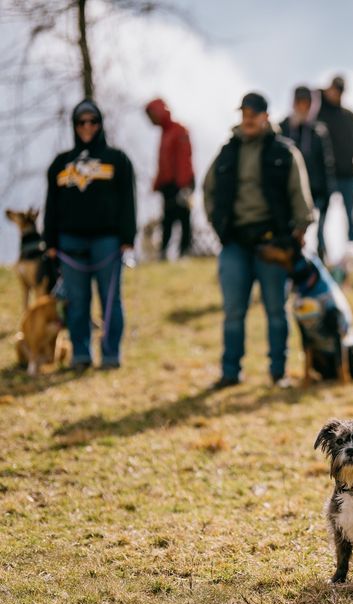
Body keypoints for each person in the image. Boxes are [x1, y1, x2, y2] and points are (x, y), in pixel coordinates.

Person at [203, 92, 315, 388]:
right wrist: (218, 226)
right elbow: (208, 190)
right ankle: (230, 372)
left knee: (276, 310)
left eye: (254, 113)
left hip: (273, 243)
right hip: (235, 242)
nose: (248, 118)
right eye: (244, 113)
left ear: (266, 116)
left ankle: (278, 373)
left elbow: (299, 195)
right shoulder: (226, 152)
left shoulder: (284, 152)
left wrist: (299, 231)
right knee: (233, 311)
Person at [43, 99, 136, 371]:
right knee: (77, 303)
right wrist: (49, 242)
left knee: (110, 301)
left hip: (107, 242)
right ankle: (80, 353)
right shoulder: (60, 163)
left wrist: (128, 237)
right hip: (69, 242)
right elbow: (51, 205)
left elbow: (128, 201)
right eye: (81, 122)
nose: (87, 127)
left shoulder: (117, 159)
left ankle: (110, 355)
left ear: (100, 124)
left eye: (92, 121)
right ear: (74, 125)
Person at [279, 85, 336, 258]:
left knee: (317, 236)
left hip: (315, 193)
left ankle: (318, 270)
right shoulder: (283, 128)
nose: (303, 107)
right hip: (289, 194)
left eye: (307, 104)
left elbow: (327, 164)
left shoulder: (319, 131)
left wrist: (328, 194)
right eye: (300, 103)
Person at [317, 75, 353, 251]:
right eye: (334, 90)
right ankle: (321, 252)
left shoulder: (349, 115)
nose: (336, 94)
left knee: (352, 216)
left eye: (340, 91)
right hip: (325, 176)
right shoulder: (319, 114)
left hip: (347, 173)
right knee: (321, 216)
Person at [145, 98, 194, 259]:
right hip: (168, 186)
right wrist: (157, 184)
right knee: (168, 219)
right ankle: (164, 251)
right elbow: (163, 163)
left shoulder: (178, 130)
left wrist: (184, 186)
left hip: (180, 184)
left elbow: (184, 159)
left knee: (183, 218)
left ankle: (185, 251)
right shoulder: (165, 133)